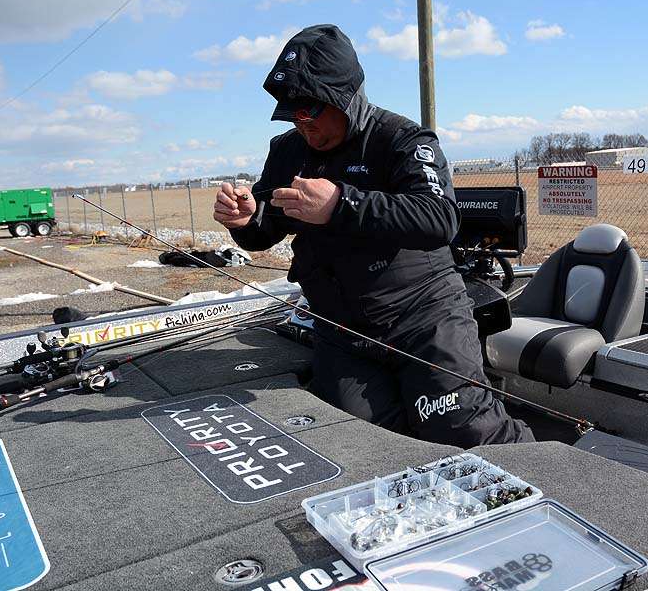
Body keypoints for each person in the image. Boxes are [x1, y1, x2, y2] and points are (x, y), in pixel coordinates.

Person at [213, 24, 533, 446]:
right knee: (364, 443)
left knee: (462, 429)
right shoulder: (287, 151)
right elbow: (265, 230)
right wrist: (245, 219)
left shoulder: (401, 140)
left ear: (344, 98)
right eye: (294, 113)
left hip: (425, 321)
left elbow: (439, 218)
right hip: (342, 333)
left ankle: (550, 481)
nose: (303, 123)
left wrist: (342, 203)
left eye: (312, 111)